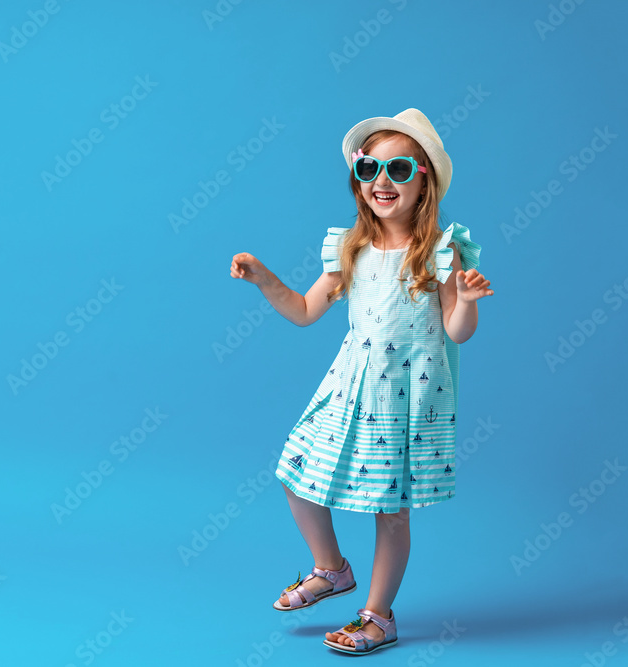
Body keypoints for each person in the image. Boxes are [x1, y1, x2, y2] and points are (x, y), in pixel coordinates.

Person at [229, 108, 494, 655]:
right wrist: (263, 279)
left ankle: (378, 615)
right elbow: (304, 310)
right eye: (370, 168)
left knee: (389, 510)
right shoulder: (350, 247)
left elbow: (457, 332)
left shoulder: (441, 252)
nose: (382, 181)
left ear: (424, 181)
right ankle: (331, 568)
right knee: (296, 470)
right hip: (349, 388)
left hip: (408, 397)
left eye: (399, 169)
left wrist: (466, 302)